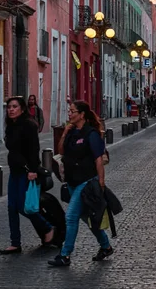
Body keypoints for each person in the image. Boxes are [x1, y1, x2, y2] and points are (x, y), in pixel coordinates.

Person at [48, 100, 113, 267]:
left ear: (82, 114)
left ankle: (65, 255)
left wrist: (101, 182)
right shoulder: (71, 132)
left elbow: (98, 159)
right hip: (72, 181)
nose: (69, 114)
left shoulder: (91, 134)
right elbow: (61, 151)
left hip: (86, 182)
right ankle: (105, 246)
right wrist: (64, 134)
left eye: (72, 112)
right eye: (69, 111)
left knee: (70, 217)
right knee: (86, 218)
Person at [0, 96, 54, 255]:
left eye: (14, 107)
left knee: (25, 207)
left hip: (26, 171)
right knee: (11, 207)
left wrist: (32, 170)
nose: (11, 109)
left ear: (22, 109)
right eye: (9, 107)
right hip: (15, 171)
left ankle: (48, 228)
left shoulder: (29, 126)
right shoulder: (10, 126)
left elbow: (33, 149)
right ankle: (15, 243)